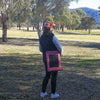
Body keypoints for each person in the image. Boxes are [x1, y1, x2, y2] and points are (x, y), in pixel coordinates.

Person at [39, 21, 62, 98]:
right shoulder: (53, 37)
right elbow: (59, 47)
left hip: (45, 57)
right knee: (54, 76)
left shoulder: (41, 38)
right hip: (53, 57)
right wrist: (60, 53)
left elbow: (40, 49)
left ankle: (43, 92)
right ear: (50, 28)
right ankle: (53, 93)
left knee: (47, 75)